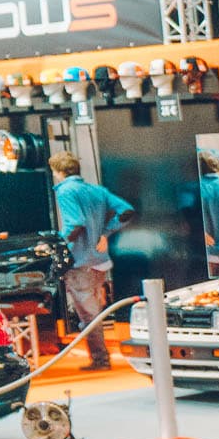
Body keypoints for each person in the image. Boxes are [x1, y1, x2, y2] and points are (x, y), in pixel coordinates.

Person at [49, 151, 135, 370]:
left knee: (89, 315)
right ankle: (100, 357)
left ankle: (100, 359)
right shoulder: (97, 190)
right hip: (100, 260)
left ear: (58, 171)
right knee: (94, 311)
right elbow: (126, 211)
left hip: (80, 261)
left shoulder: (65, 191)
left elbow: (75, 223)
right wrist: (105, 233)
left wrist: (58, 243)